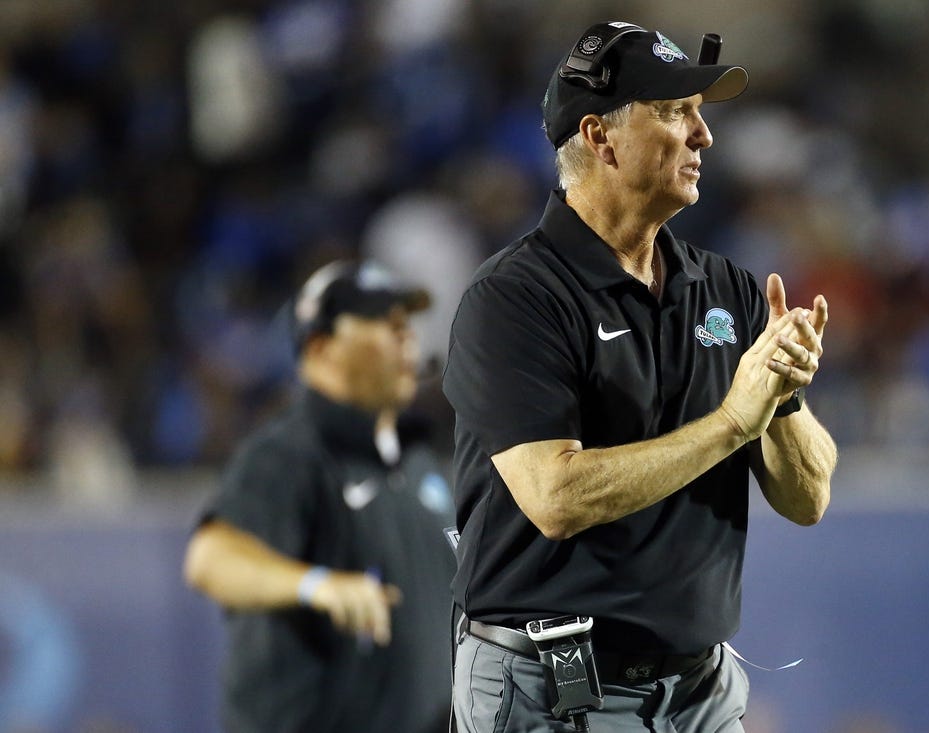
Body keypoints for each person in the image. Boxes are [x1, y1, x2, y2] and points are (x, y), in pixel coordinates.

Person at [442, 21, 838, 733]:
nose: (703, 135)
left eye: (699, 113)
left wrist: (782, 397)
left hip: (702, 693)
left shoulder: (730, 290)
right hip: (554, 691)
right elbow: (554, 495)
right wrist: (730, 425)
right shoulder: (514, 298)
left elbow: (808, 497)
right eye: (673, 112)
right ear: (600, 137)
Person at [183, 260, 456, 733]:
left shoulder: (419, 463)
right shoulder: (288, 454)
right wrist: (316, 585)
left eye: (405, 322)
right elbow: (210, 559)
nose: (405, 335)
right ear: (321, 348)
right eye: (382, 322)